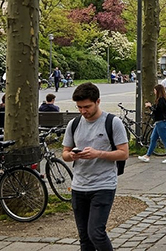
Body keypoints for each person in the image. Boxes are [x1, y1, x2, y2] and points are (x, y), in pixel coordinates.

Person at [62, 82, 128, 251]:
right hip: (78, 186)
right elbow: (65, 153)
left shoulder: (113, 122)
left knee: (96, 233)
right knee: (84, 238)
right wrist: (71, 156)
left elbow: (123, 153)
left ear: (98, 101)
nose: (83, 111)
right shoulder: (74, 124)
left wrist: (98, 153)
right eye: (79, 107)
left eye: (87, 107)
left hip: (103, 185)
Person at [139, 84, 166, 164]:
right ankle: (147, 156)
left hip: (161, 122)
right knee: (153, 138)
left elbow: (157, 111)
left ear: (158, 91)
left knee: (165, 140)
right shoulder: (164, 99)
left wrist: (150, 107)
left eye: (155, 90)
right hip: (161, 122)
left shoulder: (161, 100)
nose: (154, 92)